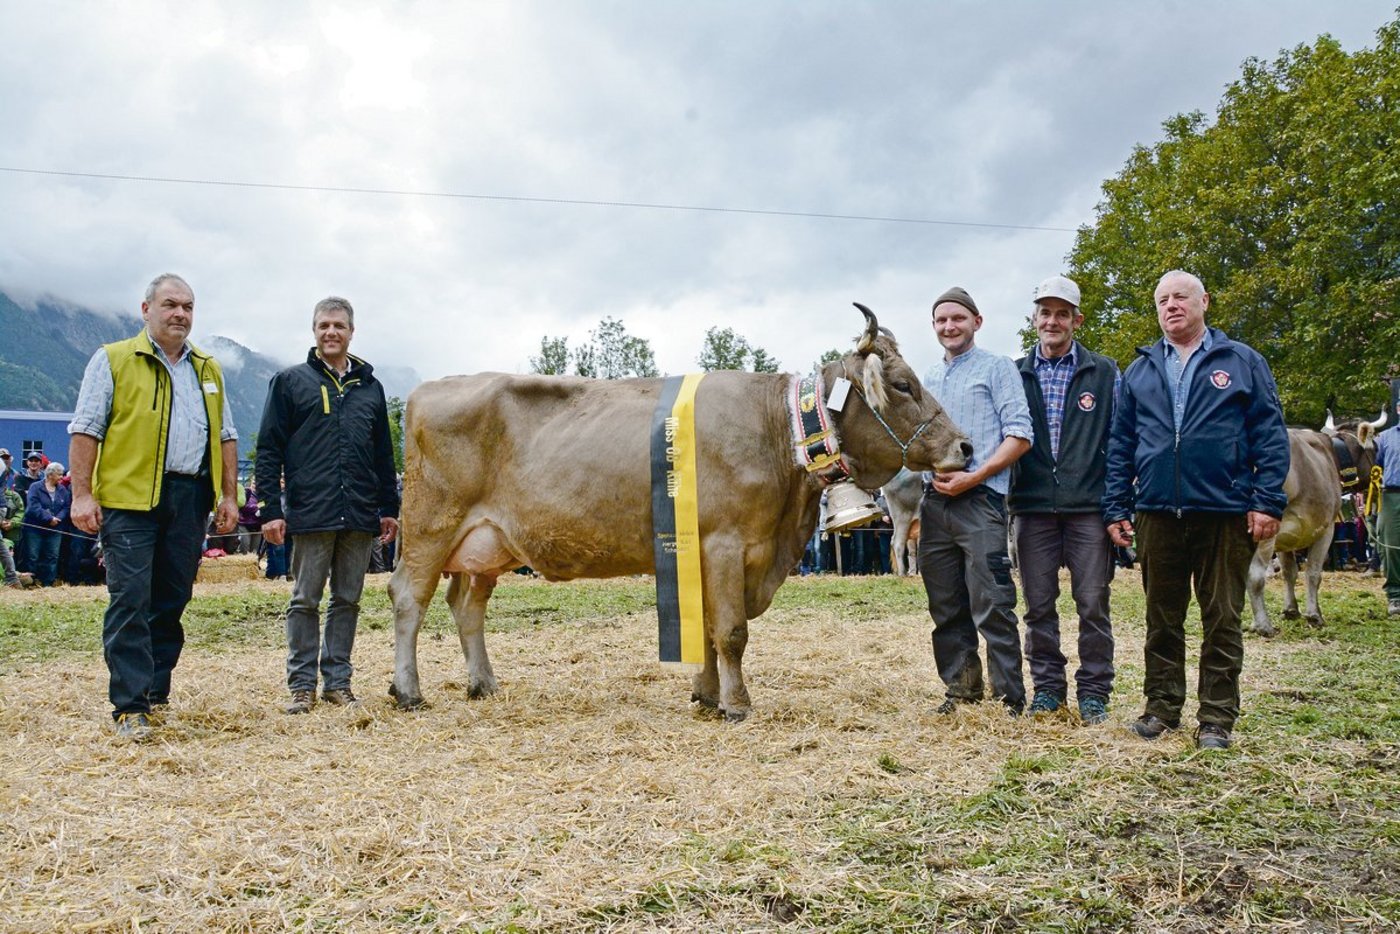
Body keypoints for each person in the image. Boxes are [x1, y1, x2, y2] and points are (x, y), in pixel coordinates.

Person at [1103, 270, 1289, 750]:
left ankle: (1216, 718)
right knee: (1161, 618)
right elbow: (1121, 443)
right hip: (1156, 511)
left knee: (1222, 616)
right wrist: (1117, 505)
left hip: (1224, 511)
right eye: (1162, 299)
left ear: (1204, 301)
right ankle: (1161, 709)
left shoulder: (1242, 361)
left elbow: (1270, 434)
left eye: (1180, 296)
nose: (1171, 305)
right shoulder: (1140, 370)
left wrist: (1267, 500)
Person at [68, 273, 239, 741]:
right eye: (170, 305)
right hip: (129, 499)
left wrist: (228, 496)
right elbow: (86, 429)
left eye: (188, 306)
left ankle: (155, 691)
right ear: (146, 310)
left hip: (189, 496)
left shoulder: (208, 369)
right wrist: (82, 495)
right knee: (130, 597)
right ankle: (129, 705)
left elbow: (226, 436)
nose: (180, 314)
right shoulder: (113, 359)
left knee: (172, 597)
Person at [256, 296, 400, 714]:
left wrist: (388, 507)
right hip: (311, 511)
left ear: (351, 332)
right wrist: (270, 509)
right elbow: (268, 449)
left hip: (358, 512)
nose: (331, 332)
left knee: (348, 600)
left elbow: (383, 454)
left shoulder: (370, 387)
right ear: (314, 331)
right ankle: (302, 686)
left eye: (339, 325)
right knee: (305, 600)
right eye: (324, 325)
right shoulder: (290, 382)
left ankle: (338, 682)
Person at [1009, 275, 1120, 725]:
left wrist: (1117, 503)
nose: (1052, 321)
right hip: (1032, 507)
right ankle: (1048, 689)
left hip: (1088, 509)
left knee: (1092, 603)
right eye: (1045, 313)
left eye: (1062, 313)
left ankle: (1094, 692)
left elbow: (1120, 440)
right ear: (1034, 319)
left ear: (1077, 320)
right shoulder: (1015, 374)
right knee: (1038, 606)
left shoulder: (1105, 373)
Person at [919, 286, 1033, 715]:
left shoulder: (998, 368)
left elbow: (1020, 435)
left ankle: (1008, 698)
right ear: (934, 326)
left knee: (992, 601)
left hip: (981, 500)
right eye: (941, 320)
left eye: (958, 318)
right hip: (935, 502)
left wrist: (975, 476)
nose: (949, 326)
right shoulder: (928, 378)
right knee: (946, 603)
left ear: (977, 322)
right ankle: (961, 689)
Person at [24, 462, 71, 586]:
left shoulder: (63, 489)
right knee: (33, 556)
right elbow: (33, 507)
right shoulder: (35, 487)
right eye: (59, 474)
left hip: (55, 528)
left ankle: (48, 583)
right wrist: (49, 518)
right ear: (50, 475)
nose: (62, 477)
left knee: (52, 556)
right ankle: (30, 582)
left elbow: (66, 507)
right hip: (35, 528)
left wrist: (58, 519)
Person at [1374, 416, 1400, 615]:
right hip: (1392, 496)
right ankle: (1395, 596)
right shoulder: (1384, 437)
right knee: (1391, 546)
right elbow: (1375, 467)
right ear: (1399, 408)